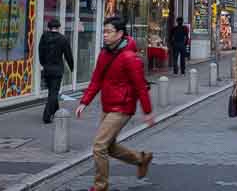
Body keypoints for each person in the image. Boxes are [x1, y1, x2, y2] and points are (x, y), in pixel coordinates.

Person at [77, 16, 154, 191]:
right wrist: (84, 102)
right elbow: (96, 80)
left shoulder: (130, 57)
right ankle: (141, 159)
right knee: (109, 147)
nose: (105, 35)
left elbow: (141, 86)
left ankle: (100, 186)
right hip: (108, 105)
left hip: (123, 107)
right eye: (104, 31)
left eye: (109, 31)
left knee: (99, 146)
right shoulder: (104, 53)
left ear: (119, 34)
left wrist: (147, 112)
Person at [38, 18, 74, 124]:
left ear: (49, 27)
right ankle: (47, 116)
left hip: (47, 68)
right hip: (57, 69)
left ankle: (55, 110)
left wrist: (43, 64)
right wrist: (71, 67)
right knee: (54, 92)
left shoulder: (44, 37)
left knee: (52, 91)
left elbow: (40, 52)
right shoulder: (63, 39)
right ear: (58, 27)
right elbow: (68, 55)